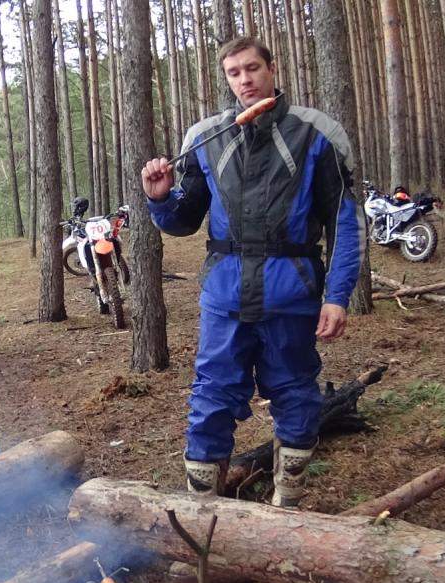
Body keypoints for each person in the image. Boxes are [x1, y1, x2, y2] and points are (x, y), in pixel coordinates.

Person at [140, 36, 360, 508]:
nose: (245, 80)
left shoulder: (317, 133)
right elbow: (183, 220)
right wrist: (160, 199)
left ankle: (287, 504)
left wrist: (337, 296)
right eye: (234, 73)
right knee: (211, 398)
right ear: (226, 79)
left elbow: (344, 222)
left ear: (272, 69)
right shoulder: (206, 138)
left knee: (296, 395)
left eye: (253, 68)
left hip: (292, 293)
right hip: (225, 296)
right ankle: (203, 516)